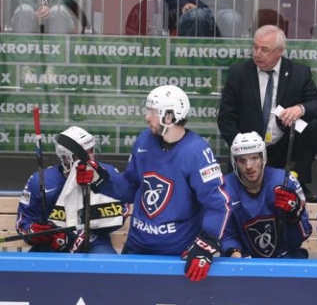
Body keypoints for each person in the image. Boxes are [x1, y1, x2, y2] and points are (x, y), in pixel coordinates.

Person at [76, 85, 229, 282]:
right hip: (136, 248)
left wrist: (207, 244)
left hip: (177, 256)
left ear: (169, 116)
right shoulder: (144, 141)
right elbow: (130, 187)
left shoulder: (197, 152)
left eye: (152, 112)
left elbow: (218, 204)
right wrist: (100, 179)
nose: (147, 117)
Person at [218, 24, 317, 203]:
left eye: (264, 49)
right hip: (250, 146)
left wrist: (299, 109)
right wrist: (242, 146)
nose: (257, 53)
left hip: (283, 145)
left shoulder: (298, 73)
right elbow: (225, 117)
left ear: (279, 51)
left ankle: (300, 182)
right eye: (255, 47)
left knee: (312, 125)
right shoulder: (238, 73)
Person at [16, 126, 128, 253]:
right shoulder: (41, 181)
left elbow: (123, 207)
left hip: (94, 241)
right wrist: (34, 231)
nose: (91, 157)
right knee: (33, 269)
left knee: (107, 268)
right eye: (85, 153)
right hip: (54, 243)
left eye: (92, 151)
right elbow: (23, 224)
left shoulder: (107, 173)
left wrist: (97, 220)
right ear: (66, 157)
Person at [221, 131, 312, 258]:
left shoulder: (285, 182)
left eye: (254, 158)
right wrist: (235, 255)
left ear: (263, 158)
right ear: (235, 162)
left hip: (285, 257)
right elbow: (226, 233)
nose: (249, 166)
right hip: (245, 259)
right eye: (242, 160)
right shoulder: (225, 188)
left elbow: (302, 235)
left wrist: (294, 217)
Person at [11, 0, 79, 34]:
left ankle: (57, 56)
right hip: (31, 12)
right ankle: (24, 56)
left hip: (59, 15)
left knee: (58, 10)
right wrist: (37, 8)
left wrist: (50, 8)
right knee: (25, 10)